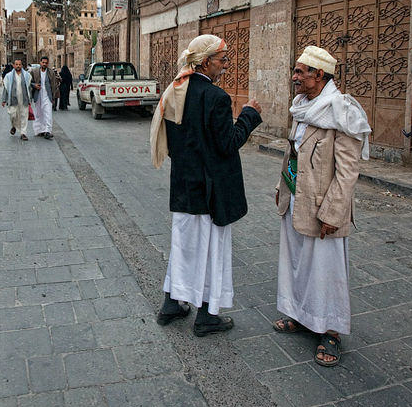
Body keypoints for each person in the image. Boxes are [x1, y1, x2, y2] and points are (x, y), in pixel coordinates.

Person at [150, 34, 262, 336]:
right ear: (205, 61)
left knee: (184, 248)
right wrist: (250, 115)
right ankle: (207, 316)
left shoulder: (175, 91)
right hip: (212, 192)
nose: (225, 66)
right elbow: (228, 144)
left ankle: (172, 304)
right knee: (211, 252)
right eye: (223, 60)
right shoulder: (216, 98)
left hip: (185, 187)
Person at [271, 45, 371, 367]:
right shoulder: (302, 107)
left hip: (323, 207)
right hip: (296, 199)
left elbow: (347, 171)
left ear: (319, 75)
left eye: (301, 72)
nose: (295, 77)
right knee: (298, 263)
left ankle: (330, 331)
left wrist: (333, 212)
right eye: (295, 71)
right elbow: (293, 153)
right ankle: (301, 316)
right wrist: (280, 186)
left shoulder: (342, 111)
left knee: (326, 271)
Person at [1, 58, 33, 140]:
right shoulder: (8, 76)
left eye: (19, 64)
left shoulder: (27, 76)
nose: (18, 66)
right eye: (16, 64)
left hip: (24, 99)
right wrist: (4, 100)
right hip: (12, 99)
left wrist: (30, 99)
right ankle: (13, 126)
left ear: (22, 65)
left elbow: (29, 88)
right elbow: (6, 88)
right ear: (14, 65)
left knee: (24, 115)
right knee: (12, 115)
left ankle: (23, 133)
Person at [30, 56, 60, 139]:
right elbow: (29, 82)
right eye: (43, 62)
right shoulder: (34, 71)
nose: (44, 64)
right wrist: (34, 85)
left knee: (48, 114)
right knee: (38, 114)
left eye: (46, 63)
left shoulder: (51, 72)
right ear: (40, 62)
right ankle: (39, 131)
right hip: (37, 96)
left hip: (47, 96)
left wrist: (53, 97)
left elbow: (54, 85)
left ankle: (47, 131)